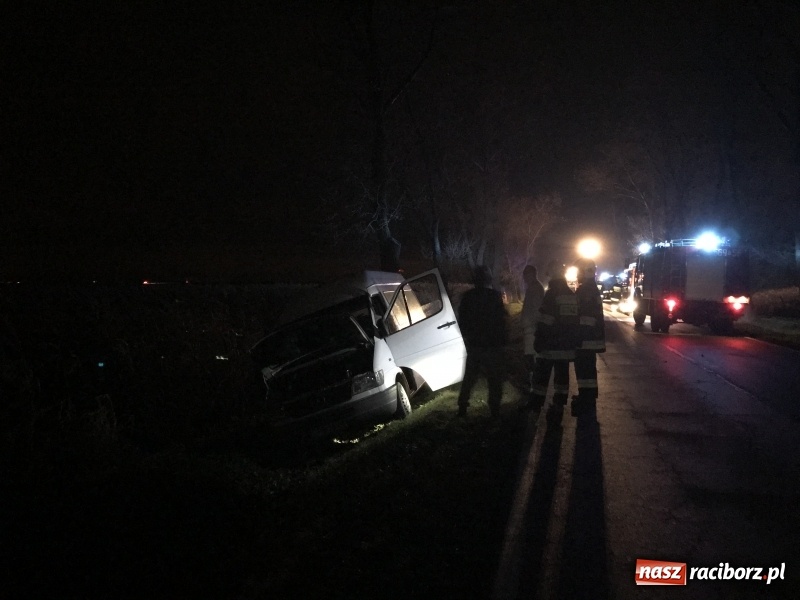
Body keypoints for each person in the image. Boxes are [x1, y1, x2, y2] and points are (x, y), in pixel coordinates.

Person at [456, 265, 508, 417]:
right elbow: (501, 320)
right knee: (494, 378)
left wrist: (467, 337)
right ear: (488, 280)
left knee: (470, 377)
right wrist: (503, 340)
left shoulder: (467, 297)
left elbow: (462, 320)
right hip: (492, 344)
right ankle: (494, 409)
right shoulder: (494, 296)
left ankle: (462, 406)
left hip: (475, 344)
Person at [529, 260, 579, 418]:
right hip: (565, 347)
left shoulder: (552, 294)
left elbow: (546, 320)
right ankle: (558, 406)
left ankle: (535, 407)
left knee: (541, 378)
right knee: (562, 379)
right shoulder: (571, 295)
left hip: (550, 345)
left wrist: (538, 340)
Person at [571, 257, 606, 416]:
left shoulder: (585, 291)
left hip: (585, 339)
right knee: (589, 371)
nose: (577, 274)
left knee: (584, 370)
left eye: (579, 271)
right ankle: (589, 397)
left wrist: (576, 335)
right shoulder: (591, 288)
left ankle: (586, 399)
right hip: (590, 339)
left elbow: (584, 317)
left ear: (585, 272)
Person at [520, 264, 545, 398]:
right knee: (530, 359)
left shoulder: (535, 289)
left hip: (532, 331)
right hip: (530, 330)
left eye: (526, 275)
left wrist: (530, 326)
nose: (524, 278)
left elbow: (535, 311)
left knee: (531, 359)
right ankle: (533, 387)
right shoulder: (534, 288)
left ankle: (533, 389)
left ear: (531, 274)